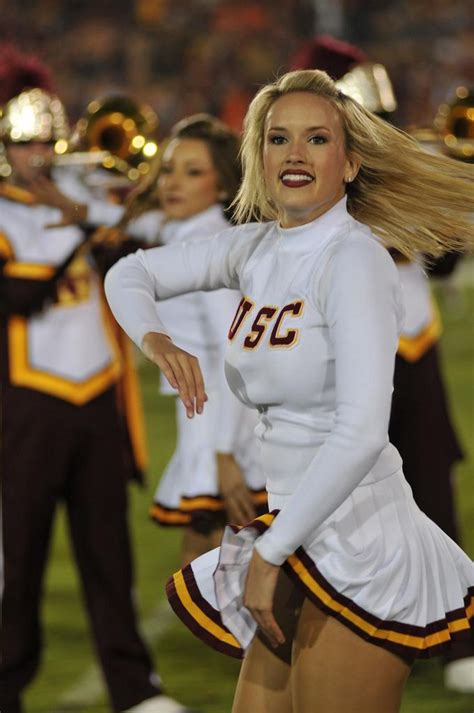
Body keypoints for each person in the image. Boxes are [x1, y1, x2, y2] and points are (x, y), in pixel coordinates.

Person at [105, 69, 474, 713]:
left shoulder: (352, 260)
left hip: (359, 540)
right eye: (278, 139)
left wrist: (269, 554)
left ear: (351, 163)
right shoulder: (254, 248)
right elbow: (129, 274)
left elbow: (360, 432)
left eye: (317, 139)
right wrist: (156, 341)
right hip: (292, 530)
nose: (295, 155)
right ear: (259, 155)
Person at [0, 46, 191, 713]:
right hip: (26, 407)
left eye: (49, 140)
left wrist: (83, 213)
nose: (42, 154)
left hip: (97, 401)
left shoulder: (90, 203)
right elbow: (16, 298)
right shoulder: (7, 215)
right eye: (25, 143)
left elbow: (144, 251)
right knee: (17, 563)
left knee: (109, 554)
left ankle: (134, 689)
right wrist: (71, 226)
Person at [291, 36, 474, 693]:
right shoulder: (306, 172)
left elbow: (448, 260)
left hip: (411, 347)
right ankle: (341, 628)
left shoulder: (409, 164)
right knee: (340, 500)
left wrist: (435, 203)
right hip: (339, 356)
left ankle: (456, 641)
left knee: (431, 490)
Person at [143, 114, 266, 565]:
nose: (173, 182)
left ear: (220, 186)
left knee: (216, 573)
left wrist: (223, 453)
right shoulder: (189, 235)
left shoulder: (209, 248)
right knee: (219, 576)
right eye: (169, 169)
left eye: (193, 172)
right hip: (206, 419)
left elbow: (238, 353)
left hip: (223, 424)